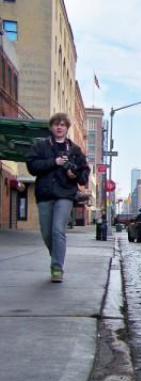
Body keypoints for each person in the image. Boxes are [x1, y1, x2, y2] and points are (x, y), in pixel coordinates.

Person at [26, 113, 90, 282]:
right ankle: (56, 257)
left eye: (62, 125)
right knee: (47, 233)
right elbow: (32, 166)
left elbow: (84, 174)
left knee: (57, 230)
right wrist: (54, 162)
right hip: (45, 194)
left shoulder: (75, 150)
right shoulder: (41, 146)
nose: (59, 127)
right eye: (56, 124)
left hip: (65, 195)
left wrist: (74, 174)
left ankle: (57, 268)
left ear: (67, 128)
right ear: (51, 127)